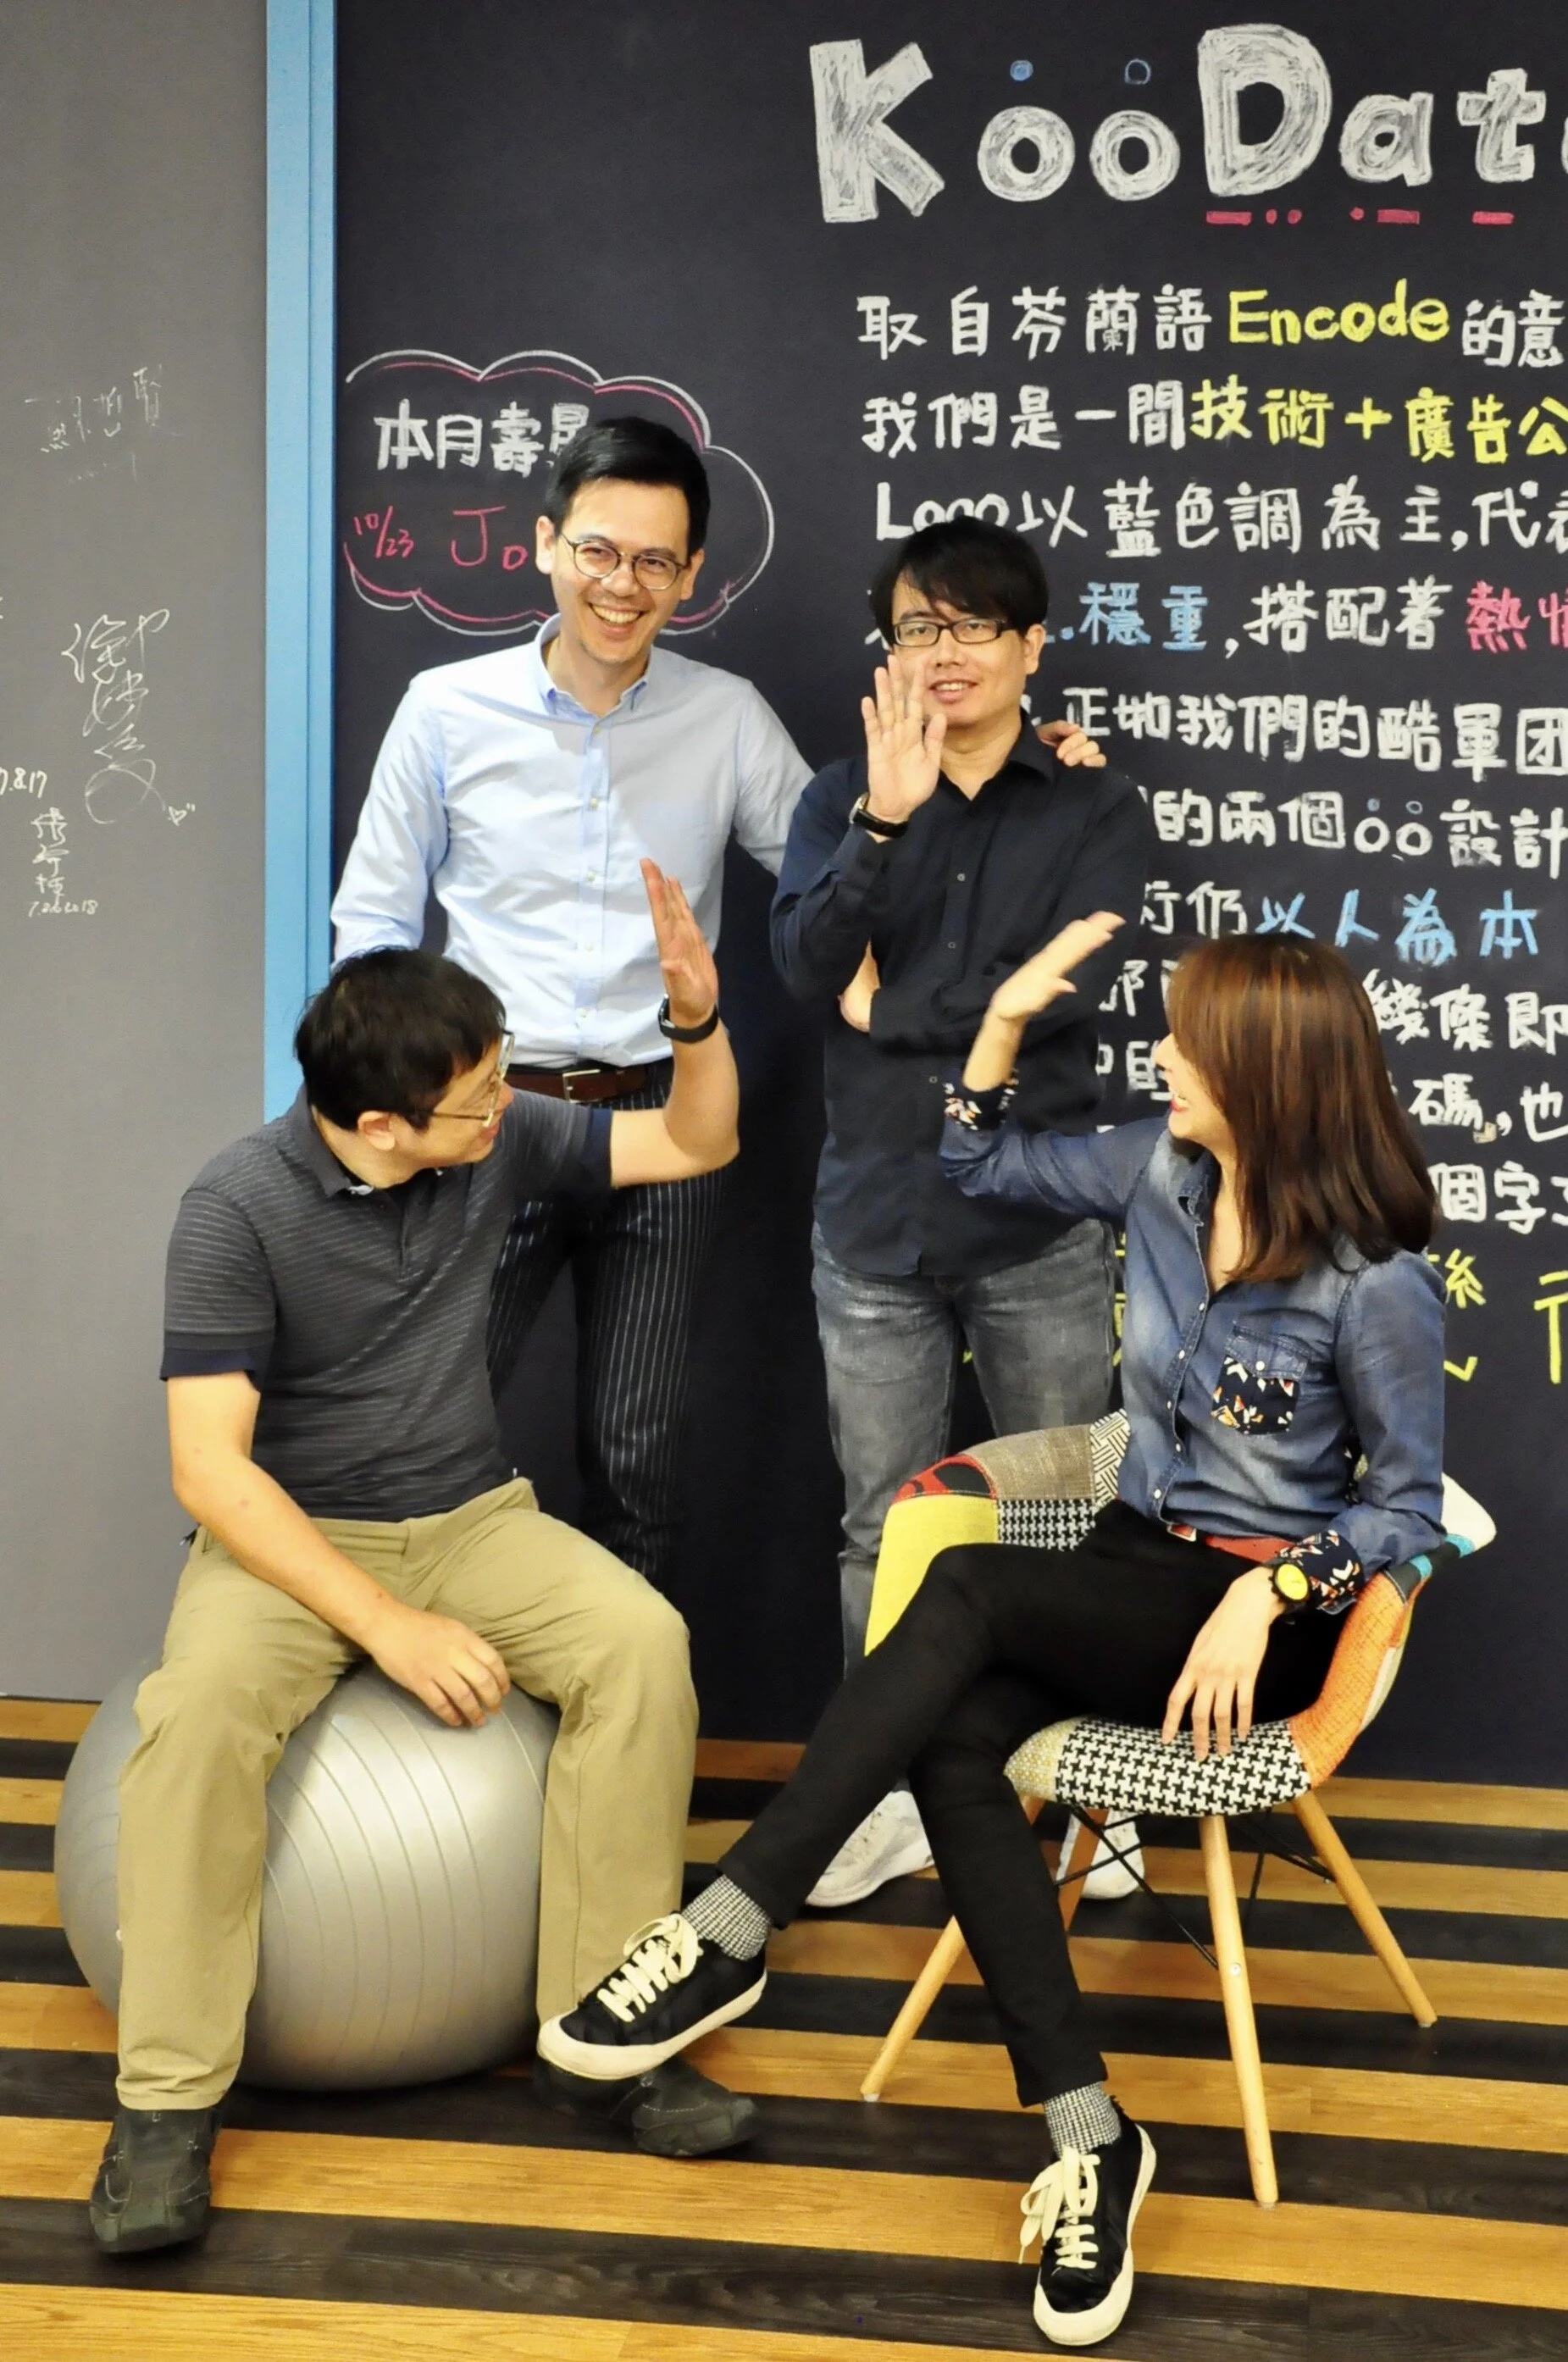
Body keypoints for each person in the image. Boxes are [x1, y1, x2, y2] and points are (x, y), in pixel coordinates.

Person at [535, 924, 1445, 2351]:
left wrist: (1266, 1594)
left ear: (1263, 1072)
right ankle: (1090, 2137)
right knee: (960, 1742)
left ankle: (727, 1925)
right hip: (1129, 1568)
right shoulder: (1161, 1169)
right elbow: (969, 1167)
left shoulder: (1368, 1277)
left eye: (1192, 1041)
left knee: (958, 1594)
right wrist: (1002, 1026)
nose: (1166, 1054)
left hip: (1246, 1619)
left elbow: (1408, 1510)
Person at [90, 864, 756, 2259]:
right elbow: (210, 1469)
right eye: (479, 1095)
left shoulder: (496, 1137)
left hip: (468, 1515)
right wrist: (384, 1626)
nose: (506, 1104)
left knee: (641, 1648)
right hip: (286, 1543)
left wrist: (697, 1025)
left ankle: (608, 2034)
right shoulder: (234, 1210)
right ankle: (163, 2107)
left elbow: (694, 1147)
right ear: (383, 1126)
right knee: (199, 1716)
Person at [332, 416, 812, 1590]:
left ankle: (625, 1745)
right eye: (599, 551)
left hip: (658, 1118)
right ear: (546, 545)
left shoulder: (727, 715)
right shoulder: (446, 708)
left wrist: (998, 775)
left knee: (635, 1454)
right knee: (421, 1426)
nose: (623, 585)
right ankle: (384, 1706)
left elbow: (835, 882)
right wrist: (382, 1119)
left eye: (656, 562)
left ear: (691, 576)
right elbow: (374, 927)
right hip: (481, 1120)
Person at [770, 518, 1153, 1905]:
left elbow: (1068, 986)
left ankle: (1088, 1802)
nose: (941, 656)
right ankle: (885, 1795)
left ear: (1030, 647)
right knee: (885, 1526)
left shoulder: (1093, 807)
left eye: (971, 628)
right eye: (916, 631)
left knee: (1065, 1518)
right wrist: (879, 825)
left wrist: (906, 1007)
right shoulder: (838, 794)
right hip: (874, 1219)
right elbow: (806, 962)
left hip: (1037, 1219)